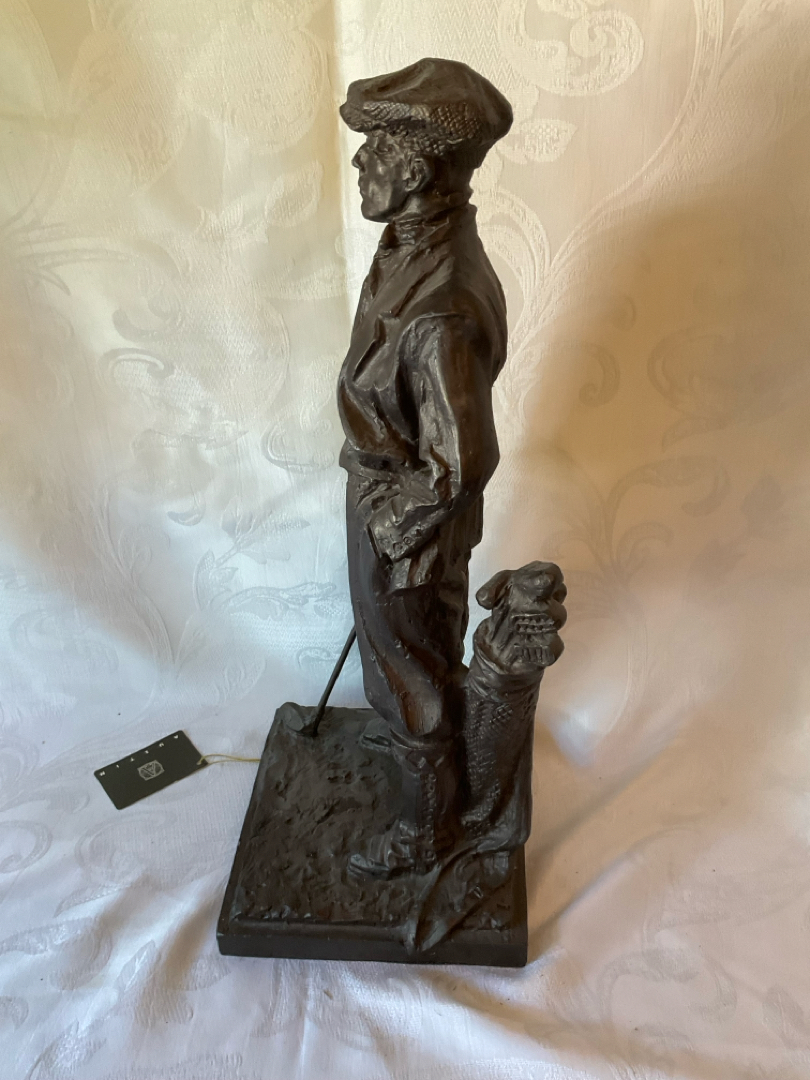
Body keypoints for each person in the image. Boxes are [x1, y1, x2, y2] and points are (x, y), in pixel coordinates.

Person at [338, 57, 513, 878]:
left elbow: (461, 460)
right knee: (416, 662)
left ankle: (424, 833)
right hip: (394, 497)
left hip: (409, 518)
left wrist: (385, 526)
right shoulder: (412, 245)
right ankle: (429, 773)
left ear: (414, 170)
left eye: (375, 147)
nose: (359, 159)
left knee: (406, 678)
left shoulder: (440, 308)